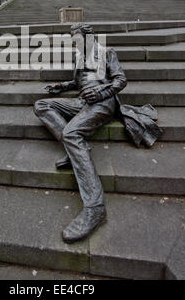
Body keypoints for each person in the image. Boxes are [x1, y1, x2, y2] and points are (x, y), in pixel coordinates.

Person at [34, 23, 162, 244]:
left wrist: (101, 91)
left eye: (78, 39)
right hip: (82, 101)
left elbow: (121, 80)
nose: (75, 43)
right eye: (73, 40)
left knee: (73, 133)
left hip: (103, 103)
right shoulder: (79, 57)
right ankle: (74, 150)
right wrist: (62, 87)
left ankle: (95, 208)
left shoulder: (106, 52)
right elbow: (79, 81)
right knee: (42, 105)